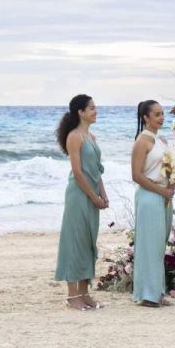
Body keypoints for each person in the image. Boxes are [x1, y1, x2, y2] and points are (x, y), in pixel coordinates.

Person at [54, 94, 109, 311]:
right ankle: (72, 295)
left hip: (92, 193)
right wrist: (93, 197)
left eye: (95, 107)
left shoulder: (92, 137)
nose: (96, 111)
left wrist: (103, 194)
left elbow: (96, 170)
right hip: (79, 195)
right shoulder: (74, 136)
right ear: (80, 112)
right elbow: (78, 173)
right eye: (92, 108)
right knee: (74, 240)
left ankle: (85, 293)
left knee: (88, 241)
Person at [131, 99, 175, 308]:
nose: (161, 118)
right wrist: (162, 191)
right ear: (145, 118)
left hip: (164, 196)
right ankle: (148, 295)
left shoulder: (163, 141)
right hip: (150, 196)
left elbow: (168, 167)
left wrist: (174, 181)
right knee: (149, 245)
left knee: (159, 245)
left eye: (162, 113)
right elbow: (137, 176)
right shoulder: (142, 142)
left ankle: (157, 292)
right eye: (157, 114)